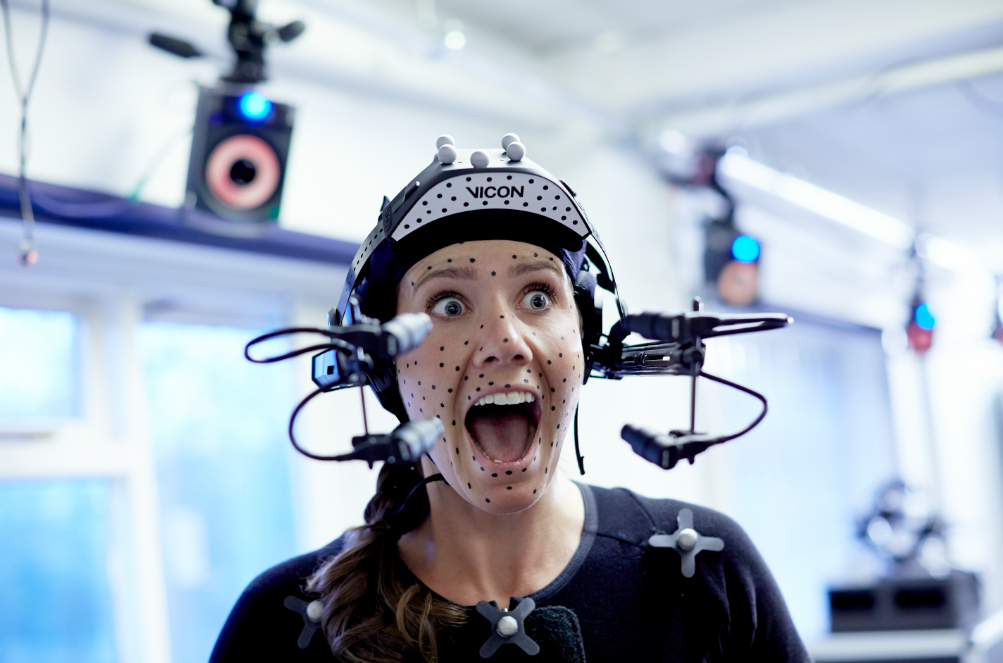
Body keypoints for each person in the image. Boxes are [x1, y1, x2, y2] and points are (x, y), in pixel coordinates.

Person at [209, 135, 811, 662]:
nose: (505, 342)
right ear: (385, 366)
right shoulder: (281, 623)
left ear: (587, 344)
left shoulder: (709, 571)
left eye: (538, 298)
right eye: (449, 304)